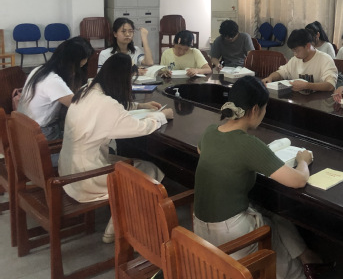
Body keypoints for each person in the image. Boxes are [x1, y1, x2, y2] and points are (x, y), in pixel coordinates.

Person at [194, 76, 326, 279]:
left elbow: (201, 150)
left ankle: (306, 256)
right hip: (230, 233)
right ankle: (297, 273)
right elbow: (299, 181)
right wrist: (303, 161)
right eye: (265, 109)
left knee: (273, 214)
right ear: (255, 109)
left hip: (200, 229)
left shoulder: (210, 131)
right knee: (272, 230)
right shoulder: (249, 144)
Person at [58, 53, 173, 242]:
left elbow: (112, 109)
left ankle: (120, 218)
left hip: (69, 168)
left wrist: (140, 105)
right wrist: (162, 116)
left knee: (133, 164)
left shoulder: (87, 90)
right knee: (148, 170)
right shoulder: (106, 104)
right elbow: (140, 127)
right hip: (87, 176)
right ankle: (117, 226)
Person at [17, 36, 94, 141]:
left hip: (23, 126)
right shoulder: (53, 81)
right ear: (76, 61)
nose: (86, 61)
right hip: (40, 133)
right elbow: (78, 106)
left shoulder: (40, 69)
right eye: (86, 59)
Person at [263, 29, 337, 92]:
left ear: (308, 46)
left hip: (319, 101)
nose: (295, 54)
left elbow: (331, 85)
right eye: (293, 51)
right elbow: (282, 72)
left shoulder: (325, 59)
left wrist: (308, 86)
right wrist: (270, 78)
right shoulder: (295, 60)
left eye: (297, 50)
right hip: (298, 100)